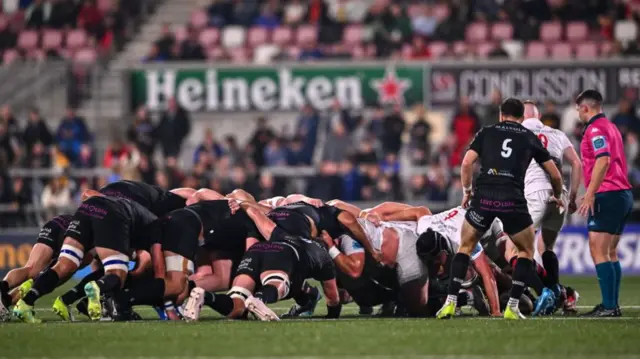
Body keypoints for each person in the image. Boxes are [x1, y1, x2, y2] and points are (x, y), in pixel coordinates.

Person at [435, 98, 564, 320]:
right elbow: (555, 174)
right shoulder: (528, 136)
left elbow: (466, 163)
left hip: (484, 198)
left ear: (501, 115)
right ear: (522, 118)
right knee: (525, 251)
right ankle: (513, 306)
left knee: (465, 247)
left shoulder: (487, 132)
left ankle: (450, 302)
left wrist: (467, 190)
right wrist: (558, 195)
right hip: (512, 200)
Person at [183, 201, 341, 322]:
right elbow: (333, 298)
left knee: (237, 305)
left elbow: (255, 214)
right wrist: (333, 316)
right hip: (283, 255)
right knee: (277, 284)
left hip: (256, 250)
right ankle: (259, 299)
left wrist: (240, 203)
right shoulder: (322, 256)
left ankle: (206, 296)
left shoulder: (281, 233)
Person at [13, 196, 158, 323]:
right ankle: (96, 287)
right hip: (111, 217)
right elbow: (145, 259)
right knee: (117, 273)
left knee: (63, 266)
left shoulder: (142, 210)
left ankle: (26, 303)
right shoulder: (157, 229)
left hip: (85, 210)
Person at [575, 90, 633, 317]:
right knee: (610, 252)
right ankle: (612, 304)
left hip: (607, 193)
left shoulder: (595, 129)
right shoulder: (611, 126)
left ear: (586, 108)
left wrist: (590, 193)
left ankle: (609, 306)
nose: (578, 113)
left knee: (598, 250)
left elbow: (603, 159)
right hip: (622, 193)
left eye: (579, 109)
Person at [520, 101, 582, 306]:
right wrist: (572, 197)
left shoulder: (518, 132)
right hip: (559, 196)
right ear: (537, 116)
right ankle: (559, 294)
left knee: (514, 249)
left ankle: (545, 292)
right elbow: (576, 162)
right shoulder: (556, 133)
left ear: (522, 116)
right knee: (546, 246)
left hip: (535, 193)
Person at [0, 214, 72, 321]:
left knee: (34, 270)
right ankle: (5, 291)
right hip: (67, 228)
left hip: (57, 223)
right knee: (38, 270)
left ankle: (6, 298)